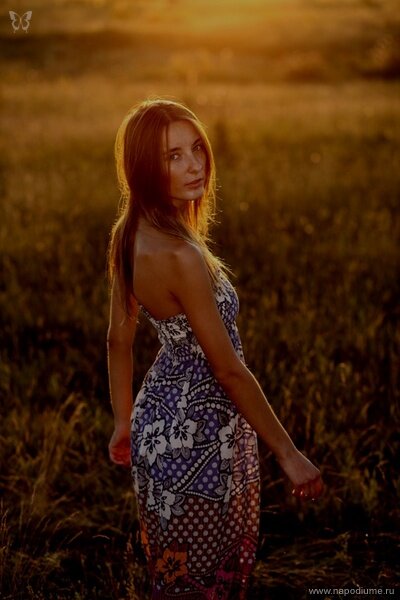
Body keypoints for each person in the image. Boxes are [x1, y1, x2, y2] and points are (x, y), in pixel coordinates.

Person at [107, 97, 323, 599]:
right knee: (205, 581)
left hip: (157, 428)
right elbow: (227, 370)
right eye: (173, 156)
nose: (195, 164)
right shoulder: (181, 254)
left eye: (197, 148)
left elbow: (118, 339)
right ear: (144, 168)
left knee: (177, 575)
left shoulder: (129, 232)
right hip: (200, 438)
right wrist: (288, 454)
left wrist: (124, 421)